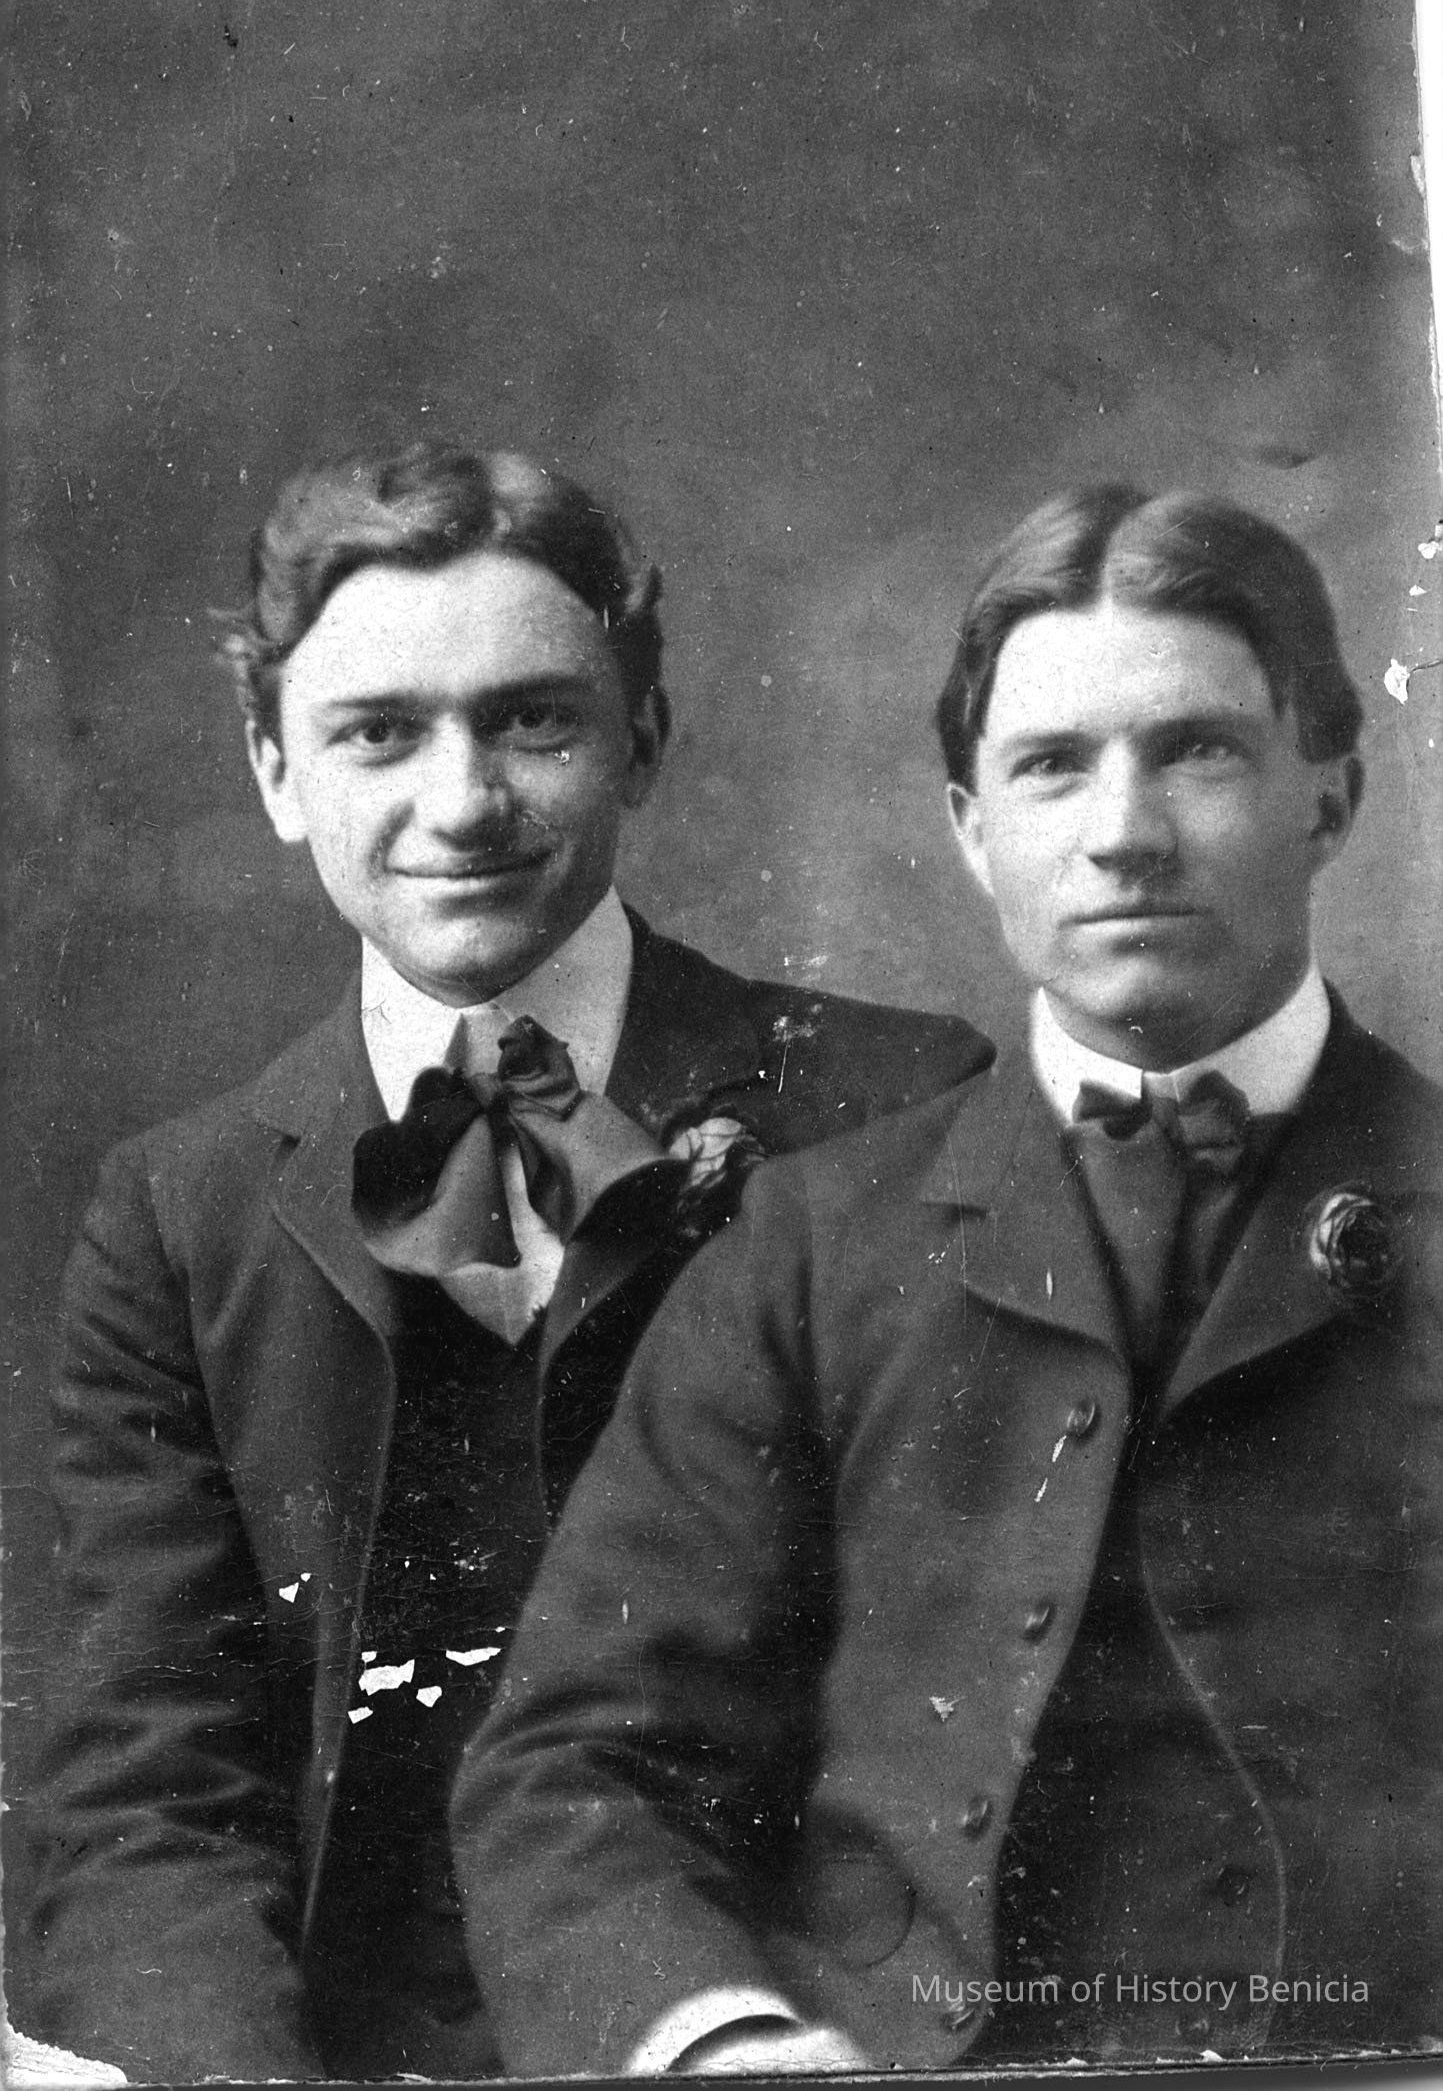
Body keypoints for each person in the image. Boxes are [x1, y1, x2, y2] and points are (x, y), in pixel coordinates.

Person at [24, 439, 992, 2084]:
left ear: (644, 742)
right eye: (377, 733)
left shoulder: (896, 1109)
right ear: (274, 770)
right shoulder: (176, 1215)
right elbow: (146, 1789)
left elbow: (959, 1703)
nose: (461, 803)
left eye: (533, 721)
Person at [452, 485, 1443, 2076]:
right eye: (1052, 765)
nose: (1122, 831)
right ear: (974, 828)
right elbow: (576, 1768)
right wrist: (720, 2040)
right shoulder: (809, 1247)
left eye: (1196, 749)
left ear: (1331, 795)